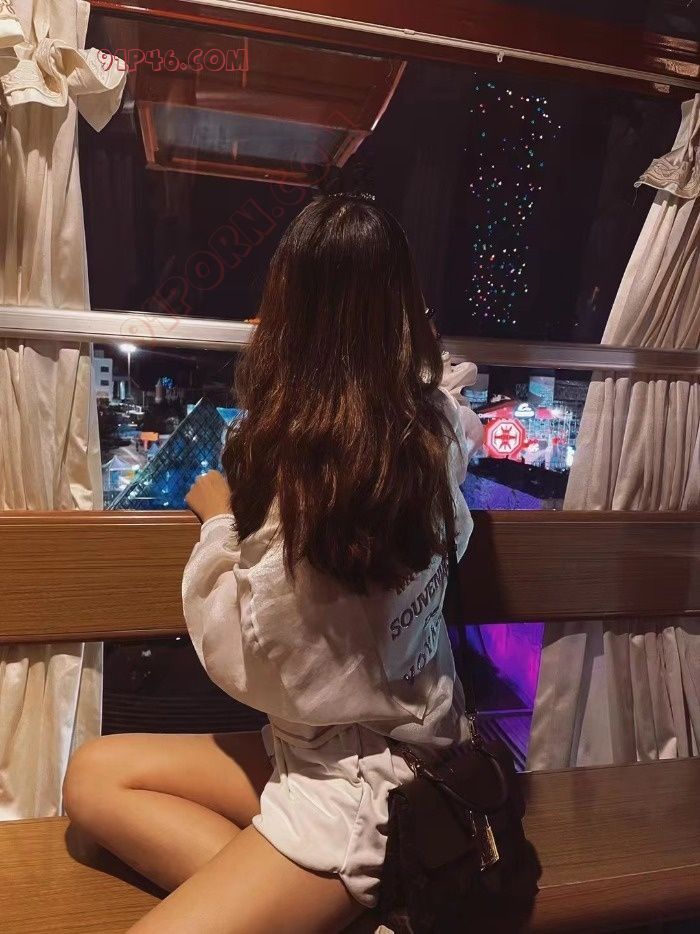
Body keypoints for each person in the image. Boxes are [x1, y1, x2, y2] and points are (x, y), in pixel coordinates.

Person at [62, 193, 483, 933]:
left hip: (367, 795)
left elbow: (251, 662)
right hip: (346, 745)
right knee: (92, 776)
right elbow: (453, 417)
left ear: (289, 320)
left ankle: (318, 903)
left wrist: (220, 523)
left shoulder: (310, 479)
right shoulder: (432, 437)